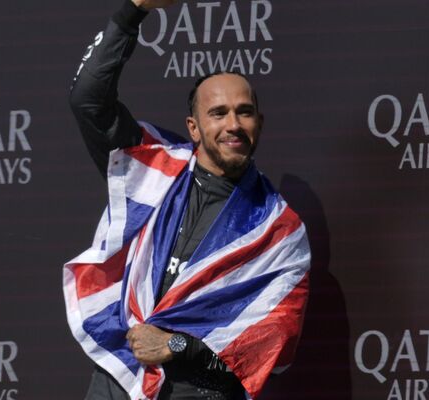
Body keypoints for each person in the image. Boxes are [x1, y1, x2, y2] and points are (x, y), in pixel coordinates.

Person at [62, 1, 311, 399]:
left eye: (244, 112)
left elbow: (267, 347)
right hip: (119, 380)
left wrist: (173, 347)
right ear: (193, 127)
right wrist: (132, 12)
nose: (233, 124)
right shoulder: (153, 166)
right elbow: (88, 100)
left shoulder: (279, 231)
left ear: (259, 124)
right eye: (219, 113)